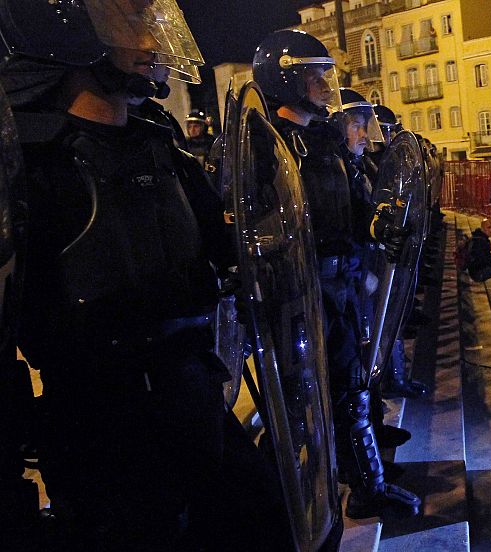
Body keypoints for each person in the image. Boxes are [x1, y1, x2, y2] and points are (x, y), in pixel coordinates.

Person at [0, 1, 284, 549]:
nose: (152, 39)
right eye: (131, 18)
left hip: (196, 398)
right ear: (65, 28)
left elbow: (226, 245)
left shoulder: (162, 141)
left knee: (264, 521)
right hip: (104, 432)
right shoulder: (30, 163)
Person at [253, 29, 420, 519]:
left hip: (340, 284)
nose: (326, 86)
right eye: (314, 76)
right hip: (297, 291)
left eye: (326, 75)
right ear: (285, 80)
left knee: (351, 387)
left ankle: (367, 483)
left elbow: (353, 208)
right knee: (302, 400)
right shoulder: (264, 146)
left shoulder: (327, 143)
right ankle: (298, 498)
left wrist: (379, 225)